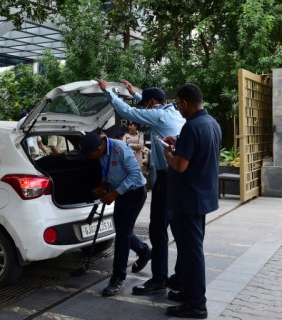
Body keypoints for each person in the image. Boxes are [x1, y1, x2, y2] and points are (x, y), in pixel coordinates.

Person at [95, 78, 186, 295]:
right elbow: (148, 105)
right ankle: (178, 277)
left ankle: (159, 280)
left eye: (145, 104)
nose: (145, 109)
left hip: (166, 177)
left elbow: (128, 112)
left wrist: (108, 91)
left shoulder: (159, 115)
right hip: (178, 177)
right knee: (176, 230)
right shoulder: (172, 112)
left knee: (158, 230)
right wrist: (135, 93)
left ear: (153, 103)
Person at [162, 84, 221, 319]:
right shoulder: (212, 124)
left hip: (188, 200)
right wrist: (178, 146)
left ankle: (197, 304)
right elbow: (199, 155)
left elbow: (179, 165)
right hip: (203, 197)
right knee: (190, 252)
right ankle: (188, 293)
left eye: (178, 104)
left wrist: (167, 151)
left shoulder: (191, 126)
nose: (178, 109)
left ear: (185, 102)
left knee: (192, 253)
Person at [78, 132, 151, 297]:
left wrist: (114, 194)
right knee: (123, 231)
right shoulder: (102, 152)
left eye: (90, 154)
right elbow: (107, 171)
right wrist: (103, 185)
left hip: (134, 193)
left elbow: (134, 174)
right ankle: (144, 251)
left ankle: (118, 277)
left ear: (98, 148)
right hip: (120, 193)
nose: (89, 157)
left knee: (122, 236)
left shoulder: (120, 149)